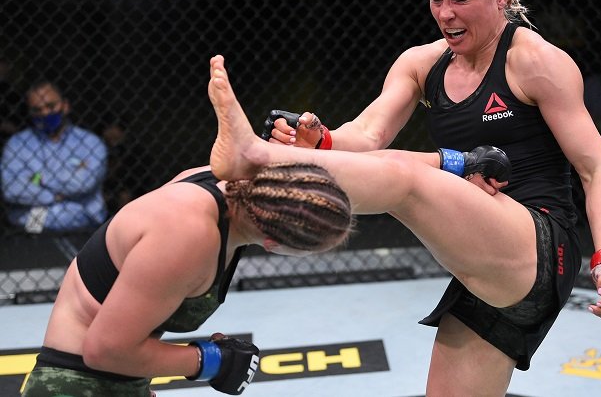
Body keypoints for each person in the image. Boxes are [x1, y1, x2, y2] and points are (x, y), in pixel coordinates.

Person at [253, 0, 601, 395]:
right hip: (484, 262)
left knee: (406, 179)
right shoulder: (421, 64)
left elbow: (596, 168)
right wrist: (320, 140)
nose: (444, 14)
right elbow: (368, 134)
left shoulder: (536, 62)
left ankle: (260, 185)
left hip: (538, 247)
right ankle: (276, 182)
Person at [22, 162, 353, 396]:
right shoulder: (187, 234)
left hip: (112, 380)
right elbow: (105, 350)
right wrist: (213, 361)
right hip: (73, 383)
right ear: (274, 244)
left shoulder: (228, 189)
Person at [1, 81, 108, 233]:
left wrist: (37, 178)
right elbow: (12, 189)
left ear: (65, 106)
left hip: (86, 223)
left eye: (51, 106)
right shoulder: (17, 144)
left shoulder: (90, 142)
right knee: (33, 237)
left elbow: (83, 184)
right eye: (37, 109)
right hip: (35, 225)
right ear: (30, 112)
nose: (45, 113)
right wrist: (54, 196)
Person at [102, 120, 156, 214]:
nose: (109, 132)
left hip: (131, 187)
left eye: (112, 127)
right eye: (107, 128)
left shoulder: (135, 150)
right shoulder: (103, 149)